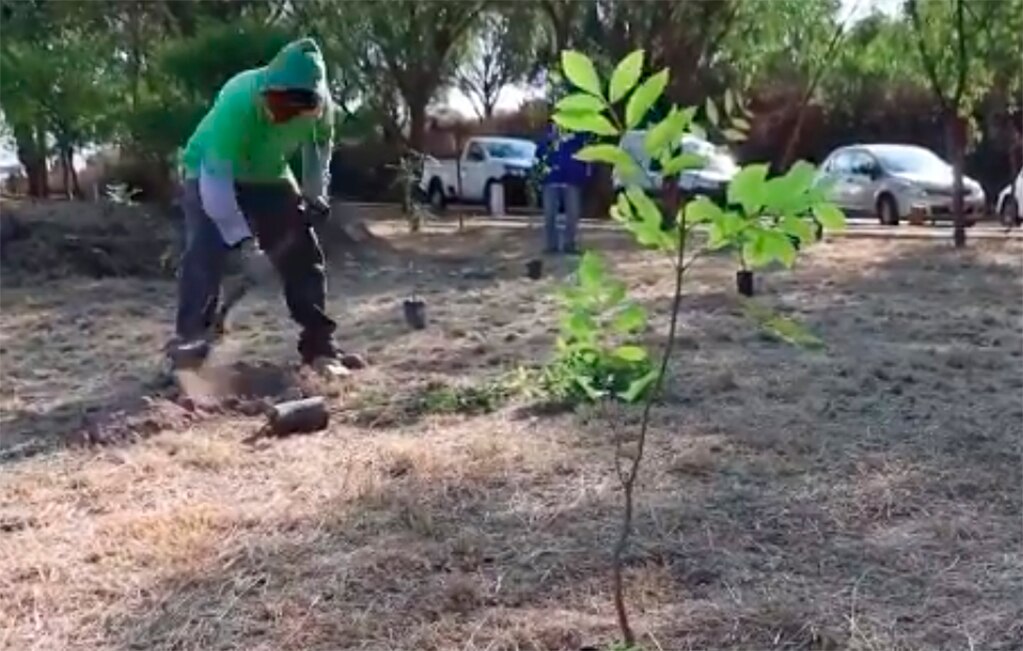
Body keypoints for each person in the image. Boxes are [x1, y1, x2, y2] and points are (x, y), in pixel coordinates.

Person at [170, 37, 361, 376]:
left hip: (270, 174)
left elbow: (318, 152)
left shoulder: (322, 108)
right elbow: (216, 182)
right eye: (278, 105)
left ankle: (320, 347)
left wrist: (316, 194)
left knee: (303, 253)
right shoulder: (239, 98)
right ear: (267, 91)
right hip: (208, 172)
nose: (282, 116)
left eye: (293, 111)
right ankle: (191, 345)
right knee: (204, 252)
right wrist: (244, 243)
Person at [536, 120, 591, 254]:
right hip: (551, 181)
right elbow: (538, 156)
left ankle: (569, 244)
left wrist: (583, 175)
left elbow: (587, 155)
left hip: (571, 181)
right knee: (549, 215)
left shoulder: (578, 138)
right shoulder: (547, 140)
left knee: (573, 214)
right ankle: (551, 246)